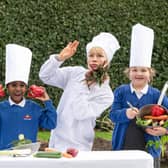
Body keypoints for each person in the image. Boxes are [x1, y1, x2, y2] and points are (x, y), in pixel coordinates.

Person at [39, 32, 120, 151]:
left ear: (107, 61)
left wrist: (84, 86)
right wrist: (59, 58)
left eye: (100, 56)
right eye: (91, 55)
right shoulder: (75, 73)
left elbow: (80, 113)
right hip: (56, 139)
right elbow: (45, 76)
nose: (94, 59)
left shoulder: (106, 95)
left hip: (79, 145)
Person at [109, 23, 168, 168]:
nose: (139, 73)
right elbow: (113, 115)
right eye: (134, 70)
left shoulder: (156, 95)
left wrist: (165, 130)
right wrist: (126, 113)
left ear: (150, 74)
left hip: (149, 149)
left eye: (143, 70)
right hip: (123, 146)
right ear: (129, 73)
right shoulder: (121, 91)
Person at [0, 44, 57, 150]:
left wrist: (47, 102)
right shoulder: (1, 108)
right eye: (13, 85)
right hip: (4, 156)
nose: (18, 89)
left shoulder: (34, 108)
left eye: (22, 85)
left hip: (28, 156)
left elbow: (51, 124)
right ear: (7, 87)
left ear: (26, 88)